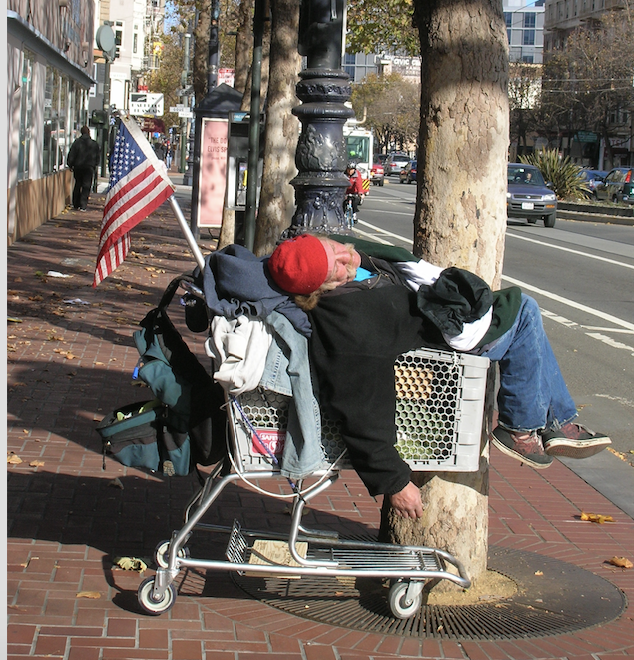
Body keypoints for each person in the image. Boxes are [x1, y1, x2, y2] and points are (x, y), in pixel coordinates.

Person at [266, 233, 611, 519]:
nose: (348, 259)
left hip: (437, 312)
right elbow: (359, 404)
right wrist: (394, 482)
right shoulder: (350, 327)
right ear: (319, 291)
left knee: (522, 309)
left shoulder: (352, 260)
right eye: (337, 269)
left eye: (337, 250)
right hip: (440, 353)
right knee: (523, 316)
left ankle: (553, 421)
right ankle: (521, 428)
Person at [67, 126, 100, 211]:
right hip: (89, 168)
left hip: (78, 167)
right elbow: (97, 157)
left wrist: (70, 165)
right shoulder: (94, 144)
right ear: (89, 133)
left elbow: (72, 154)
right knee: (86, 186)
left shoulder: (77, 143)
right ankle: (83, 204)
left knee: (78, 184)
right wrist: (94, 165)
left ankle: (76, 203)